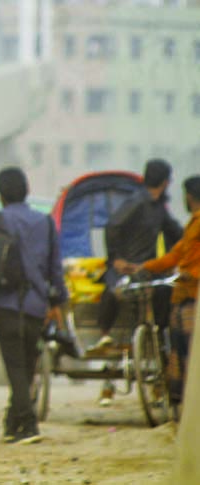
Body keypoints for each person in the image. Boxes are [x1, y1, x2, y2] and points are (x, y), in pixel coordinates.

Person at [0, 167, 67, 444]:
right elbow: (56, 269)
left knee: (14, 368)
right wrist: (58, 302)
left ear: (0, 194)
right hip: (36, 305)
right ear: (27, 190)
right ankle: (13, 423)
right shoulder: (45, 222)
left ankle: (29, 424)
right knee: (26, 365)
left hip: (5, 304)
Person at [93, 159, 182, 404]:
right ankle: (105, 336)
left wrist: (179, 257)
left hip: (149, 270)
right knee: (114, 293)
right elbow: (112, 226)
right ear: (165, 182)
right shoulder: (136, 202)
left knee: (165, 311)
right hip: (125, 268)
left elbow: (176, 233)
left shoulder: (159, 208)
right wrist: (117, 258)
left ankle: (161, 373)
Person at [131, 175, 200, 410]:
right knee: (179, 348)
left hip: (194, 296)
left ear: (189, 197)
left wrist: (193, 273)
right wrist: (145, 267)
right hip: (182, 295)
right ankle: (180, 402)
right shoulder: (192, 224)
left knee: (191, 351)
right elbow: (175, 255)